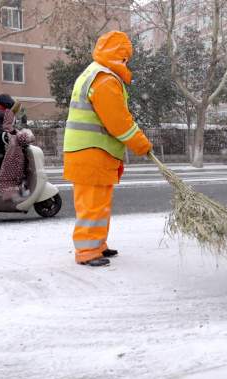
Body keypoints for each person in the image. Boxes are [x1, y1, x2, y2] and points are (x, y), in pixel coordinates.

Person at [63, 31, 153, 267]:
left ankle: (98, 245)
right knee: (92, 205)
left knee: (98, 204)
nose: (127, 63)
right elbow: (118, 122)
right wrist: (141, 144)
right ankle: (87, 251)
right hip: (91, 152)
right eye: (126, 58)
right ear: (120, 56)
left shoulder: (94, 74)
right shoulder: (104, 78)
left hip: (91, 153)